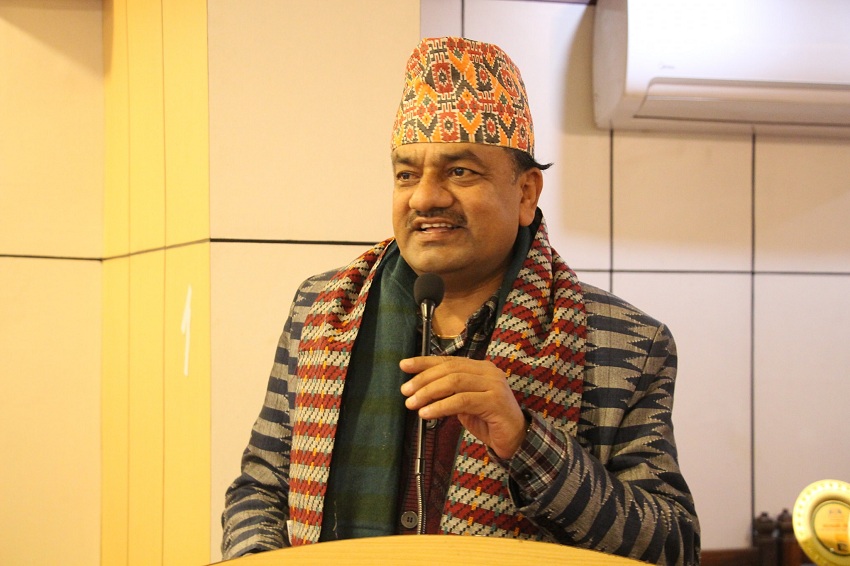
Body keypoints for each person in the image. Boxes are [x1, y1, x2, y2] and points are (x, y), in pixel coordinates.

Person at [221, 36, 700, 565]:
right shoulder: (322, 309)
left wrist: (527, 443)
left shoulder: (626, 342)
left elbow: (673, 546)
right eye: (407, 174)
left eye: (460, 172)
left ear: (526, 193)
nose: (425, 197)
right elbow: (261, 488)